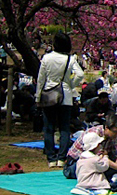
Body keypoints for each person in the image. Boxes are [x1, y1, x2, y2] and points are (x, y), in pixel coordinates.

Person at [36, 32, 85, 167]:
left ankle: (51, 158)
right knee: (64, 128)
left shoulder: (47, 58)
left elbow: (41, 79)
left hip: (49, 94)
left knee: (49, 127)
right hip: (66, 96)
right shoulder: (70, 59)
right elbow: (80, 74)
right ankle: (62, 158)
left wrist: (38, 96)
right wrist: (71, 84)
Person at [64, 115, 117, 182]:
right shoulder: (94, 134)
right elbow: (99, 159)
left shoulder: (112, 136)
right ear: (106, 128)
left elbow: (115, 154)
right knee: (105, 168)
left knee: (111, 167)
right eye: (115, 132)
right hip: (74, 165)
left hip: (95, 162)